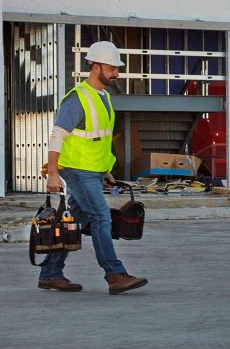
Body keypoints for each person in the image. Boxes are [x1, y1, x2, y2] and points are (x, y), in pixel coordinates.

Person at [38, 41, 148, 295]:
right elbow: (57, 135)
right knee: (101, 217)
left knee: (76, 219)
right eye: (111, 68)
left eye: (116, 68)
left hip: (93, 170)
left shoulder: (104, 98)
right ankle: (115, 274)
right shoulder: (77, 98)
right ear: (95, 66)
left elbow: (100, 138)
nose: (116, 73)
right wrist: (53, 171)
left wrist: (106, 170)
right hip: (77, 169)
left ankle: (50, 273)